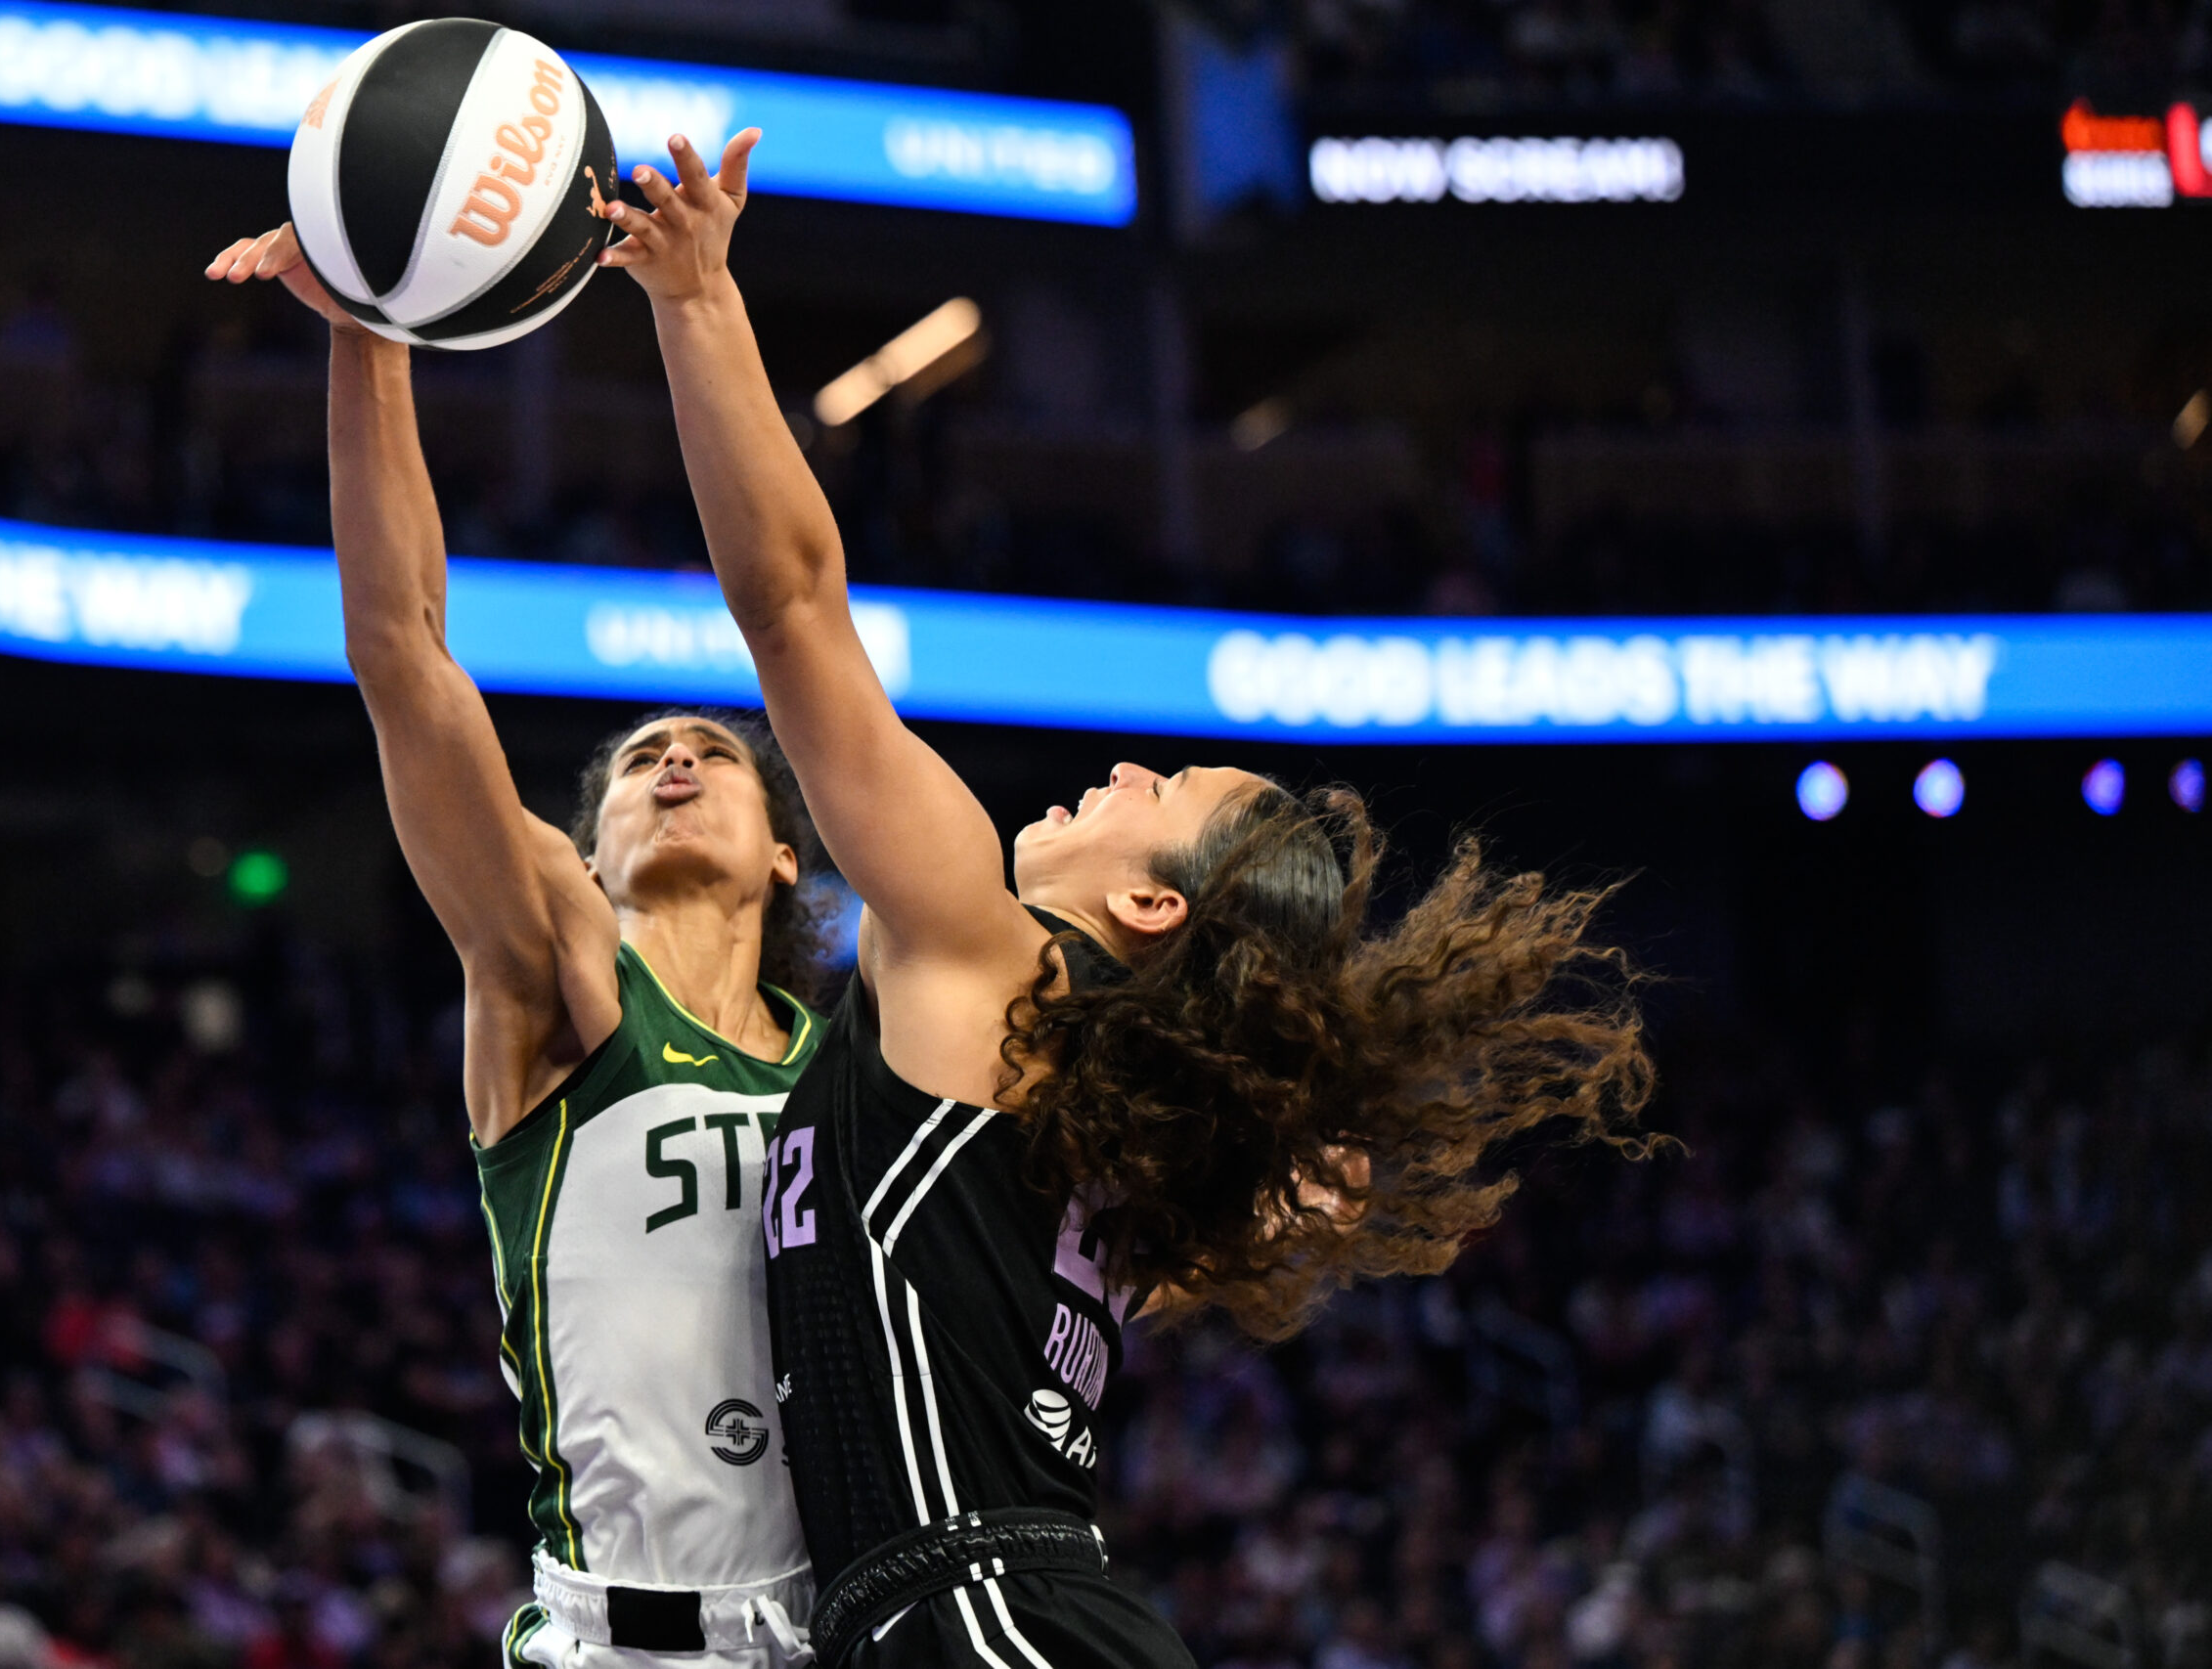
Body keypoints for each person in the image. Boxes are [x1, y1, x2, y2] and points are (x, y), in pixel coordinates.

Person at [601, 129, 1659, 1669]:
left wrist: (698, 302)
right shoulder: (1091, 1101)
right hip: (1005, 1612)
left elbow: (791, 603)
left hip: (977, 1618)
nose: (1117, 771)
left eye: (1160, 795)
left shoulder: (983, 946)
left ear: (1156, 913)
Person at [204, 227, 828, 1669]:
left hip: (847, 1632)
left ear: (789, 853)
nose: (673, 760)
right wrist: (372, 329)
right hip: (627, 1642)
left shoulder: (852, 1062)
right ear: (591, 853)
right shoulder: (559, 976)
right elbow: (404, 648)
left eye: (712, 754)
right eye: (638, 762)